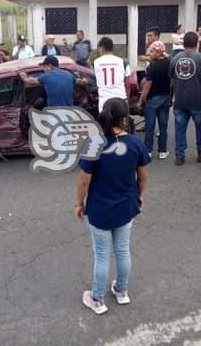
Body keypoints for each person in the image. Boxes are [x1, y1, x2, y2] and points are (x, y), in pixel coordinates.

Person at [75, 97, 150, 315]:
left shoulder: (94, 144)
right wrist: (139, 197)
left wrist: (78, 203)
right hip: (126, 205)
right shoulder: (136, 144)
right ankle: (122, 290)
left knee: (102, 254)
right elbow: (143, 177)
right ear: (125, 117)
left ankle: (97, 299)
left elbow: (83, 180)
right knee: (123, 249)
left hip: (100, 209)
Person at [169, 32, 201, 166]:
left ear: (184, 43)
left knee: (180, 129)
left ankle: (179, 156)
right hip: (198, 100)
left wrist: (172, 96)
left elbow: (171, 79)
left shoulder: (174, 59)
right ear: (197, 43)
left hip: (180, 100)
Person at [137, 41, 172, 160]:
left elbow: (147, 86)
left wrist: (141, 100)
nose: (149, 54)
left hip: (152, 100)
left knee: (150, 126)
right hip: (166, 98)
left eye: (151, 51)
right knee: (163, 126)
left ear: (158, 52)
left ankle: (148, 151)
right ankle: (162, 151)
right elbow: (172, 82)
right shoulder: (169, 63)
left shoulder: (152, 67)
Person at [18, 56, 87, 107]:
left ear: (49, 66)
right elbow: (81, 82)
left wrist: (23, 77)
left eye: (44, 66)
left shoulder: (47, 76)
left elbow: (31, 81)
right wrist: (84, 79)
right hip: (69, 112)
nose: (43, 69)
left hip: (54, 113)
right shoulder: (69, 74)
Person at [93, 37, 131, 112]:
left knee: (106, 123)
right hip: (120, 99)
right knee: (121, 123)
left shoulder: (96, 62)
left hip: (104, 101)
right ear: (112, 48)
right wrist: (127, 99)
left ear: (102, 48)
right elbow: (128, 85)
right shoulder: (123, 62)